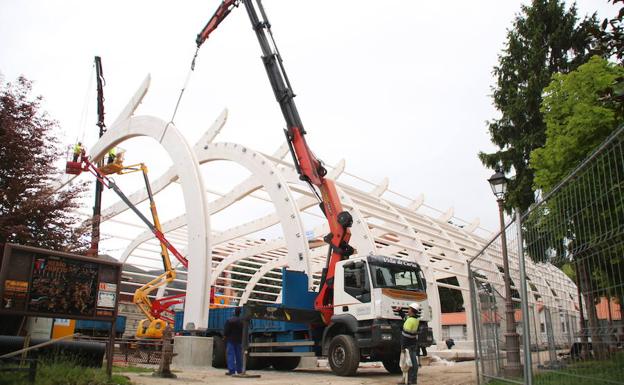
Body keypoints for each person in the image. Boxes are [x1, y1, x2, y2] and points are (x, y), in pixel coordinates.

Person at [400, 302, 422, 385]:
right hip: (412, 344)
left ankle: (412, 381)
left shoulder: (410, 321)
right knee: (408, 363)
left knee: (410, 363)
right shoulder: (414, 319)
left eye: (409, 309)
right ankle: (409, 381)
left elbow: (406, 335)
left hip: (408, 345)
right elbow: (405, 318)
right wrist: (400, 311)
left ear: (412, 311)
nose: (408, 310)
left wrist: (403, 347)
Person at [224, 307, 244, 375]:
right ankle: (239, 370)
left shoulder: (229, 320)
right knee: (239, 355)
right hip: (239, 340)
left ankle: (231, 371)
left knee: (231, 355)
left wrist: (225, 336)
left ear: (234, 312)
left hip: (231, 340)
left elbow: (226, 332)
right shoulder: (242, 321)